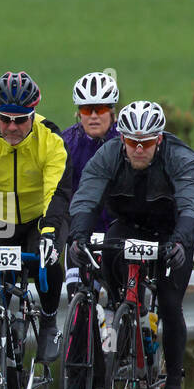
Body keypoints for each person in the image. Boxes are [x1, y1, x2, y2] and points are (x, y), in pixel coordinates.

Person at [66, 100, 194, 389]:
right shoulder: (110, 154)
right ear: (123, 139)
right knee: (109, 259)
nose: (139, 149)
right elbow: (86, 197)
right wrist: (78, 236)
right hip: (129, 224)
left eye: (146, 142)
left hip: (172, 230)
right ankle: (127, 315)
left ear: (160, 139)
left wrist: (181, 242)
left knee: (171, 306)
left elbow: (190, 206)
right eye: (132, 142)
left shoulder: (182, 158)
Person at [0, 71, 67, 363]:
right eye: (5, 118)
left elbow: (56, 192)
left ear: (33, 115)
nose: (11, 126)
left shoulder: (50, 138)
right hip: (0, 222)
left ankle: (48, 321)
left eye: (21, 120)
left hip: (39, 218)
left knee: (48, 260)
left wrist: (49, 233)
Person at [52, 71, 121, 293]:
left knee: (118, 298)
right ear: (78, 113)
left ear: (112, 112)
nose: (93, 116)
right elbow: (58, 192)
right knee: (76, 295)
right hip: (80, 230)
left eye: (100, 109)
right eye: (86, 109)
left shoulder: (125, 143)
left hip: (116, 229)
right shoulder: (66, 143)